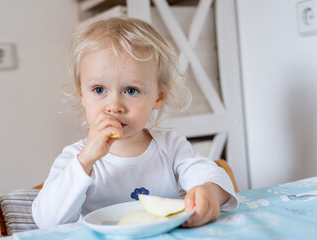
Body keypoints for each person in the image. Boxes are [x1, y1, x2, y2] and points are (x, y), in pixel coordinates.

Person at [32, 17, 238, 229]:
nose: (114, 106)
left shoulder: (170, 146)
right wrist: (84, 162)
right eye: (99, 90)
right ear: (82, 94)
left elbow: (213, 176)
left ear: (157, 98)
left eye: (131, 90)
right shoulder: (75, 158)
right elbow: (46, 220)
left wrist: (210, 193)